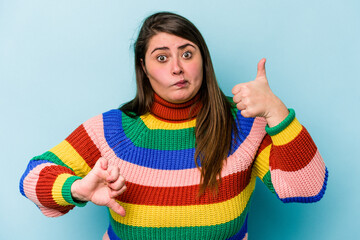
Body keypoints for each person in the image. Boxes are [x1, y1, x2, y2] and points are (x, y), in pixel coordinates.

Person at [19, 11, 328, 240]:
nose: (177, 67)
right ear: (144, 67)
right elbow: (33, 177)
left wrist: (276, 112)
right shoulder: (112, 130)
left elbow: (307, 187)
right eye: (162, 57)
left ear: (203, 61)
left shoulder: (244, 126)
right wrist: (77, 188)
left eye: (187, 54)